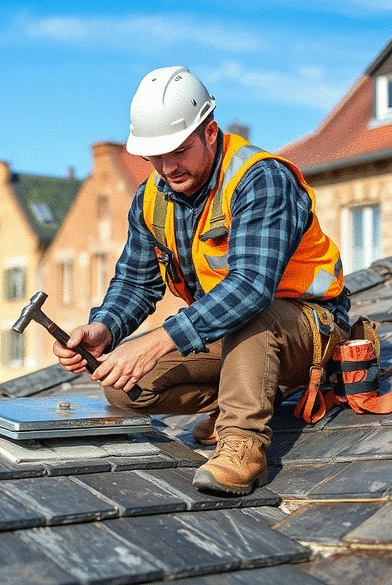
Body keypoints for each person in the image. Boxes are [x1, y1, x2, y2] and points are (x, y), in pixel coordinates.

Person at [53, 66, 350, 495]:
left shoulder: (260, 178)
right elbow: (136, 283)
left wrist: (156, 341)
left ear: (210, 132)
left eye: (178, 150)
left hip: (311, 327)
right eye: (154, 156)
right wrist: (105, 327)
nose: (167, 167)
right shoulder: (152, 198)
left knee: (251, 314)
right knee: (124, 386)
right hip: (236, 331)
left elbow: (250, 287)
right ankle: (240, 401)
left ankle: (242, 447)